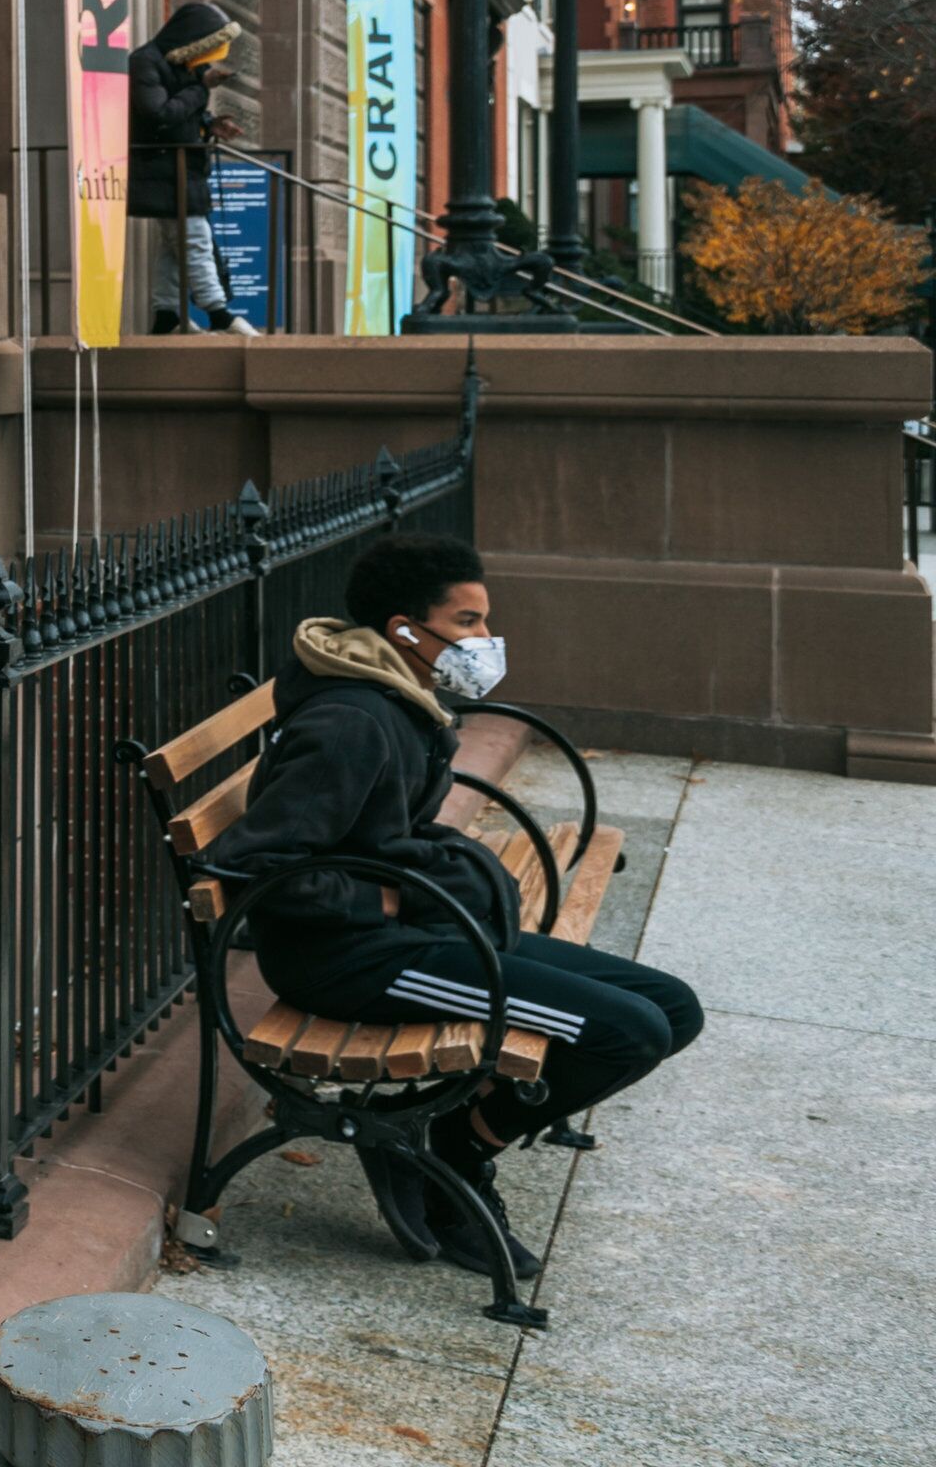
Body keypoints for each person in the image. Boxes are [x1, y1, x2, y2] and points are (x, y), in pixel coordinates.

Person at [195, 533, 702, 1279]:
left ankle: (438, 1134)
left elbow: (381, 831)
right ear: (405, 631)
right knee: (629, 1035)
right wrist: (395, 895)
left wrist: (427, 880)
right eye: (467, 622)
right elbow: (251, 869)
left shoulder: (399, 700)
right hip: (351, 961)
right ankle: (458, 1149)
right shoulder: (351, 723)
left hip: (416, 932)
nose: (485, 640)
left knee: (674, 1007)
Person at [128, 4, 258, 335]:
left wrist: (209, 124)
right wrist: (202, 89)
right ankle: (219, 314)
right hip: (163, 169)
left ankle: (167, 316)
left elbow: (180, 114)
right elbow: (158, 115)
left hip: (181, 169)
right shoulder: (146, 61)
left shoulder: (181, 65)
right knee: (195, 239)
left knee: (174, 247)